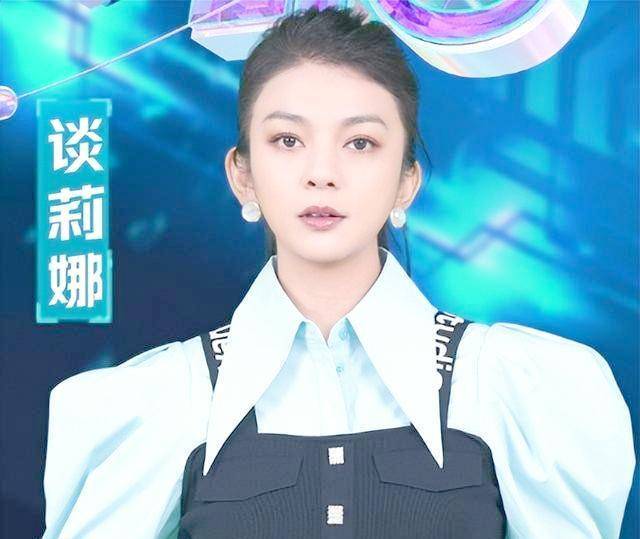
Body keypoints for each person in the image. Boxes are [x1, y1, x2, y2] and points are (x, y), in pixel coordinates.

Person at [42, 6, 636, 539]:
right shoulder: (161, 401)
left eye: (360, 143)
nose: (321, 172)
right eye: (287, 140)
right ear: (242, 176)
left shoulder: (511, 388)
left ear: (406, 181)